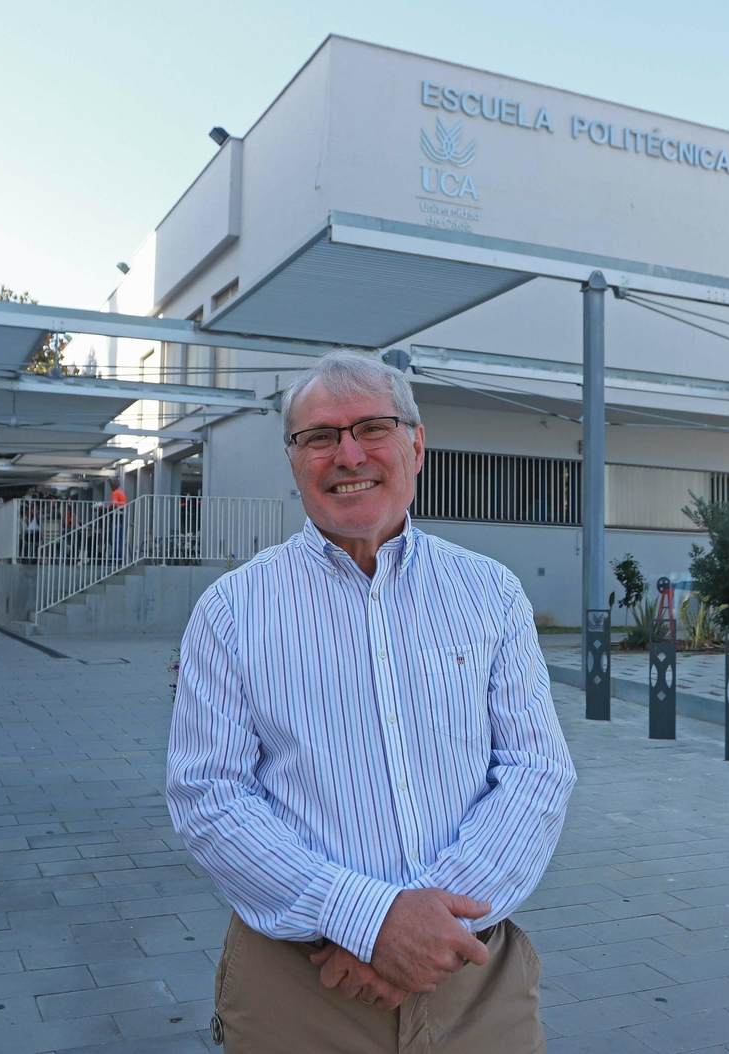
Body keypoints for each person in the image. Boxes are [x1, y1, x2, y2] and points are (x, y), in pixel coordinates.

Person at [167, 350, 575, 1053]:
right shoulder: (232, 611)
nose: (347, 453)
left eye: (372, 428)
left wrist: (426, 932)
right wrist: (372, 922)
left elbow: (537, 771)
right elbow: (207, 795)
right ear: (295, 461)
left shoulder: (491, 593)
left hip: (472, 979)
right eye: (319, 436)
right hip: (303, 987)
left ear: (416, 444)